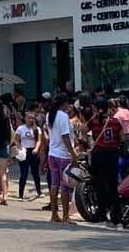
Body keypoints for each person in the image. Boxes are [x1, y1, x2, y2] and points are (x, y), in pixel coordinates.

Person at [88, 97, 124, 227]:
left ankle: (102, 216)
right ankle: (117, 219)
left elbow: (82, 130)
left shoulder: (94, 122)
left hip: (99, 155)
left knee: (100, 186)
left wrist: (93, 116)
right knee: (113, 187)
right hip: (112, 155)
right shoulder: (115, 121)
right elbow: (122, 137)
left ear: (97, 108)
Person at [44, 95, 77, 224]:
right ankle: (65, 216)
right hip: (63, 155)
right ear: (63, 103)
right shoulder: (63, 116)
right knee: (65, 186)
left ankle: (54, 214)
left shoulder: (50, 115)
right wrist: (73, 153)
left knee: (54, 184)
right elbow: (65, 136)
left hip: (52, 153)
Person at [14, 111, 42, 200]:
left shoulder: (37, 129)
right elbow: (16, 140)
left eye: (32, 118)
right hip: (24, 151)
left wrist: (36, 148)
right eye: (28, 118)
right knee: (24, 173)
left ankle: (39, 191)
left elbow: (39, 140)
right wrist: (20, 148)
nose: (30, 120)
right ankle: (20, 194)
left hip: (33, 151)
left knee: (35, 173)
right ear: (25, 118)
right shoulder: (20, 128)